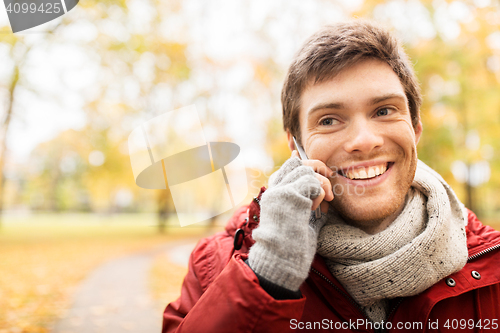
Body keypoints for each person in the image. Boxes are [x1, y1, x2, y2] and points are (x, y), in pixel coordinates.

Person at [162, 20, 500, 333]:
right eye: (328, 120)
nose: (364, 140)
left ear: (415, 129)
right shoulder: (219, 263)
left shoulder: (493, 262)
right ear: (296, 145)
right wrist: (266, 278)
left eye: (384, 110)